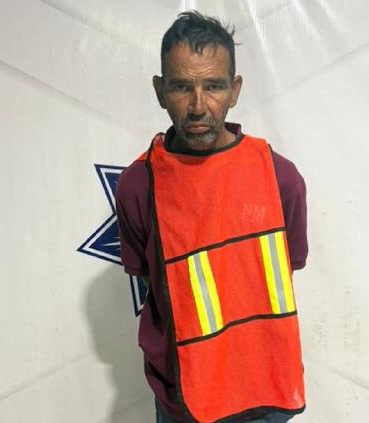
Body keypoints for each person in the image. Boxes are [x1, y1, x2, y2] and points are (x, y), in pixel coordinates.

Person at [115, 11, 308, 423]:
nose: (199, 106)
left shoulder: (280, 177)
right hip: (182, 397)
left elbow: (287, 267)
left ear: (234, 90)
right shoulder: (138, 185)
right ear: (160, 90)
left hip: (266, 391)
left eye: (214, 86)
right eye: (182, 87)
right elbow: (151, 279)